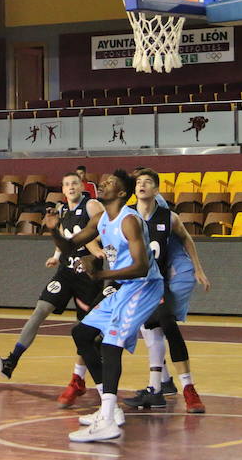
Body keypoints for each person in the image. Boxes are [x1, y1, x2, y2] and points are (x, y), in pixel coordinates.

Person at [44, 170, 163, 442]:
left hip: (144, 286)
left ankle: (108, 420)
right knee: (82, 334)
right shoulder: (100, 219)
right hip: (124, 286)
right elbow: (70, 245)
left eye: (110, 183)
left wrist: (101, 275)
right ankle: (109, 408)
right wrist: (53, 229)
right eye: (103, 181)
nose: (103, 184)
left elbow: (142, 267)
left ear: (122, 193)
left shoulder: (129, 221)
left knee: (110, 345)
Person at [0, 171, 106, 409]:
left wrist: (98, 251)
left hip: (88, 275)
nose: (71, 187)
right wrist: (55, 256)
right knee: (40, 309)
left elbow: (103, 231)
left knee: (84, 331)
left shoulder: (92, 205)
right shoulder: (62, 211)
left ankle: (78, 378)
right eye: (67, 184)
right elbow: (64, 238)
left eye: (75, 183)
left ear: (81, 186)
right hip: (66, 272)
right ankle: (11, 361)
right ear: (62, 189)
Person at [122, 168, 211, 414]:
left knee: (167, 326)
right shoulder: (126, 216)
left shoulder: (168, 217)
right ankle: (153, 388)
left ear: (156, 190)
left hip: (155, 284)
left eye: (147, 182)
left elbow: (186, 239)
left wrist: (197, 269)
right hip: (131, 286)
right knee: (137, 336)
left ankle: (187, 388)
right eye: (138, 182)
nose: (141, 185)